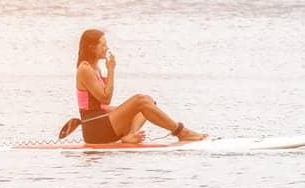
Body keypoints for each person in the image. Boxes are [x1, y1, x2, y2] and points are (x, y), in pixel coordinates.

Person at [74, 29, 207, 144]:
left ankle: (130, 135)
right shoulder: (84, 69)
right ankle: (180, 131)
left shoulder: (95, 68)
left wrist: (128, 110)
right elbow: (105, 99)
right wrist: (111, 70)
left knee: (147, 100)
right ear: (91, 47)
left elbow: (99, 105)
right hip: (94, 130)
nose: (107, 48)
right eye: (103, 45)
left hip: (101, 122)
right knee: (140, 100)